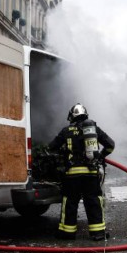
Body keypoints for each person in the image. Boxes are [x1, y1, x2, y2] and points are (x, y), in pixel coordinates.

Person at [48, 103, 115, 241]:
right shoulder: (93, 129)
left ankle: (68, 232)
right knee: (93, 201)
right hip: (90, 173)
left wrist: (62, 153)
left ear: (72, 116)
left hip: (72, 174)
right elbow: (110, 145)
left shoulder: (66, 131)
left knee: (70, 202)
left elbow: (51, 148)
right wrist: (101, 156)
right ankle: (98, 233)